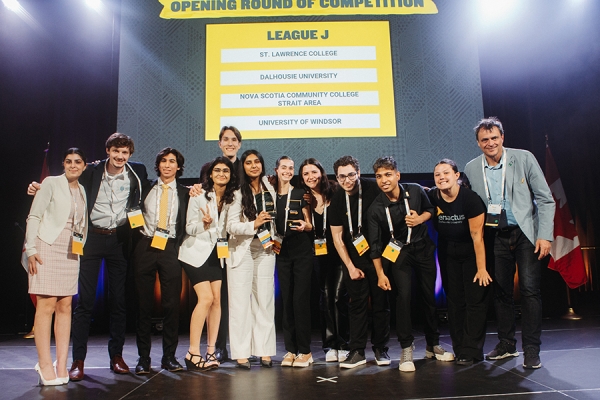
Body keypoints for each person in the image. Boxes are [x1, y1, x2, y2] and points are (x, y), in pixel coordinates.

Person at [464, 117, 555, 369]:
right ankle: (506, 344)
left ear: (502, 137)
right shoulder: (472, 168)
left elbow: (545, 199)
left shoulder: (523, 158)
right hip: (495, 236)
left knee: (529, 291)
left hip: (525, 234)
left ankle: (531, 349)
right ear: (478, 143)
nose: (490, 143)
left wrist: (545, 235)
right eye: (485, 139)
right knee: (501, 292)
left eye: (494, 138)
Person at [367, 156, 453, 372]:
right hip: (399, 253)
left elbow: (430, 210)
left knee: (429, 297)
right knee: (403, 299)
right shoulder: (376, 208)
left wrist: (419, 219)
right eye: (379, 176)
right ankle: (406, 348)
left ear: (397, 175)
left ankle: (433, 345)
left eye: (388, 175)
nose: (384, 180)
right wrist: (380, 274)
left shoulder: (414, 190)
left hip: (423, 248)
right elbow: (375, 246)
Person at [25, 148, 88, 385]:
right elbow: (34, 216)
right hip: (47, 246)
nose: (73, 165)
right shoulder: (50, 183)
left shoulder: (81, 190)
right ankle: (43, 364)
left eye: (78, 162)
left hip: (71, 251)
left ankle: (61, 364)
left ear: (84, 166)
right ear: (63, 164)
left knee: (66, 305)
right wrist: (31, 249)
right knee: (47, 304)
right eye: (69, 161)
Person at [427, 159, 491, 366]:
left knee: (474, 301)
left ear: (457, 175)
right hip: (447, 252)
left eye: (446, 173)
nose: (441, 177)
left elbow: (477, 236)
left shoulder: (470, 199)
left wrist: (481, 268)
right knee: (454, 301)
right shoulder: (432, 197)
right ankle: (460, 347)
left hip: (472, 251)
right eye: (437, 174)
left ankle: (473, 349)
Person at [131, 148, 190, 374]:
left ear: (178, 167)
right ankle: (143, 358)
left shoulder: (186, 193)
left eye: (172, 161)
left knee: (171, 305)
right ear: (158, 165)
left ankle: (169, 357)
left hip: (170, 248)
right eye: (163, 161)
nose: (167, 165)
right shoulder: (144, 188)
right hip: (144, 247)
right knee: (143, 306)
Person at [328, 155, 390, 369]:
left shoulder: (375, 189)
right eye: (342, 177)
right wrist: (350, 267)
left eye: (351, 175)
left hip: (380, 258)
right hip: (355, 262)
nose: (347, 180)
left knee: (381, 305)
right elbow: (337, 237)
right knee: (357, 307)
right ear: (337, 178)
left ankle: (381, 348)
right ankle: (357, 351)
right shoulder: (337, 199)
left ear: (359, 173)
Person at [178, 157, 237, 371]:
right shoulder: (198, 195)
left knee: (216, 302)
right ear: (210, 174)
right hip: (195, 252)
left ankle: (211, 351)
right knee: (206, 298)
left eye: (226, 171)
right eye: (217, 170)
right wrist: (204, 224)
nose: (221, 174)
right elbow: (189, 228)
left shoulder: (232, 198)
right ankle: (193, 352)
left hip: (217, 254)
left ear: (231, 175)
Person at [226, 150, 276, 368]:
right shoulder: (237, 191)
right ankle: (241, 352)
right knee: (240, 303)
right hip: (242, 248)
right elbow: (230, 226)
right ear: (243, 167)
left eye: (257, 161)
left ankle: (264, 351)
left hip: (266, 248)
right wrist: (253, 224)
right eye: (248, 162)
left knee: (264, 301)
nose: (254, 165)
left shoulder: (271, 188)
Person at [198, 126, 242, 363]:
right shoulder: (208, 168)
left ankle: (240, 346)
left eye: (234, 140)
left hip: (238, 242)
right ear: (219, 143)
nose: (230, 143)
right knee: (218, 298)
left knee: (237, 297)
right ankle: (219, 346)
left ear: (239, 144)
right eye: (226, 139)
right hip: (210, 245)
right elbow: (200, 198)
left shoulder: (245, 167)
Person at [299, 158, 349, 362]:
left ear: (322, 172)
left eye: (314, 172)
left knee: (339, 296)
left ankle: (344, 343)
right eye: (306, 174)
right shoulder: (304, 198)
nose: (311, 177)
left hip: (341, 251)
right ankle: (330, 345)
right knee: (325, 298)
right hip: (319, 254)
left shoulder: (336, 191)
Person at [272, 156, 314, 367]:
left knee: (300, 301)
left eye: (291, 168)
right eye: (284, 168)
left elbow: (310, 224)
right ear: (276, 170)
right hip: (281, 252)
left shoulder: (300, 194)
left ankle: (305, 351)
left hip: (302, 251)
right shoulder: (270, 195)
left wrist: (305, 226)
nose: (288, 171)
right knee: (286, 301)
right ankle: (290, 350)